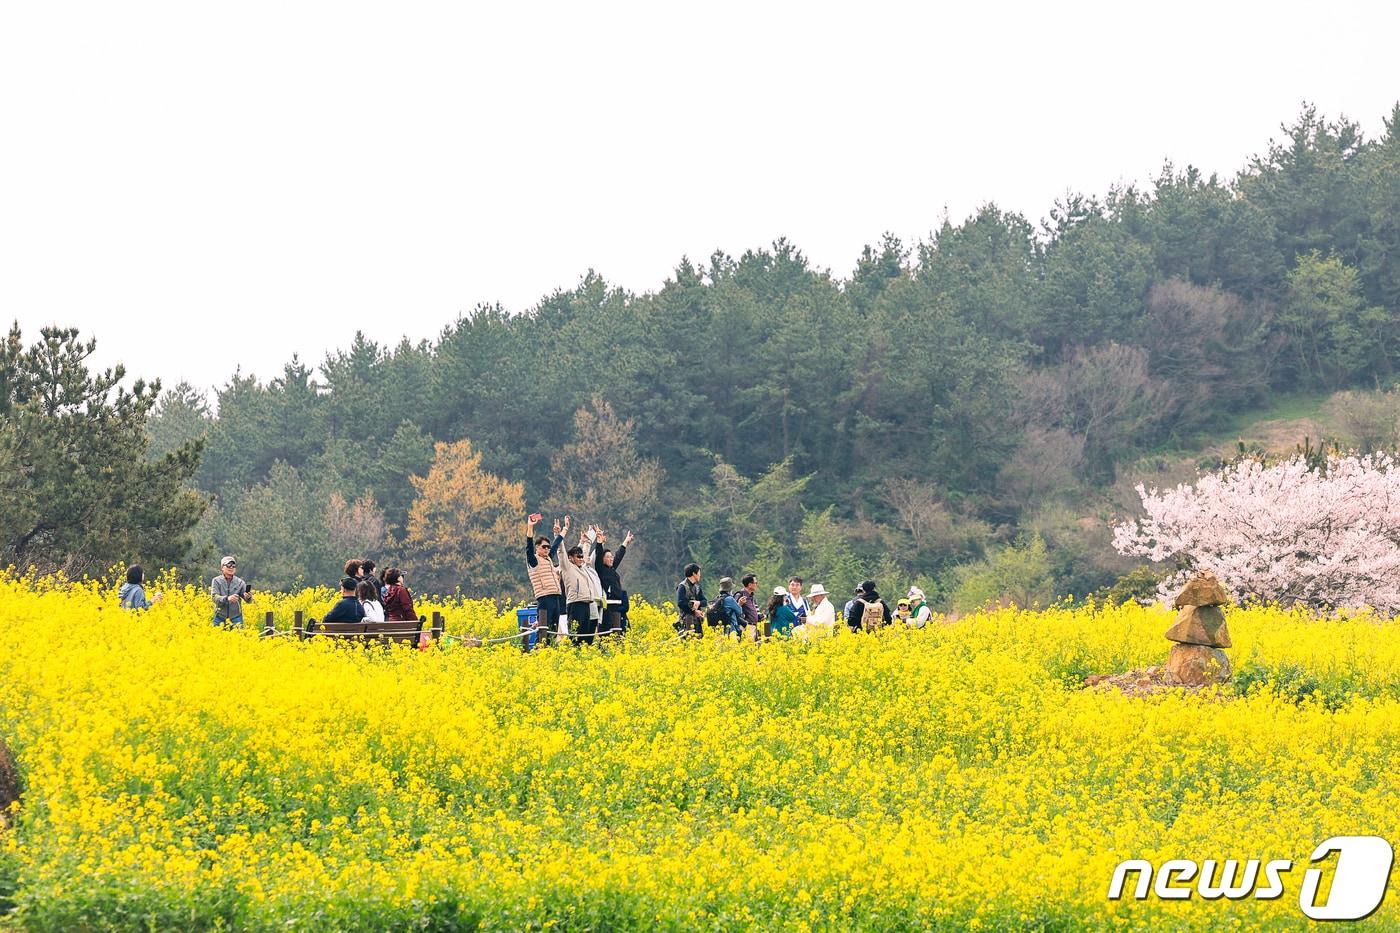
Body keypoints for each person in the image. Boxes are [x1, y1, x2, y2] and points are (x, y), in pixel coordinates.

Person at [559, 527, 607, 646]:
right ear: (570, 558)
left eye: (581, 557)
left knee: (587, 636)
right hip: (575, 604)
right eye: (578, 557)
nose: (581, 559)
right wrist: (559, 533)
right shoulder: (567, 568)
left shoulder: (583, 568)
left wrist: (588, 541)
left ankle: (584, 653)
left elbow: (584, 552)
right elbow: (561, 552)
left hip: (587, 603)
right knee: (576, 636)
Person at [524, 515, 566, 649]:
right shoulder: (533, 560)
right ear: (537, 548)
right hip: (544, 597)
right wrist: (530, 526)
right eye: (544, 547)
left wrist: (564, 530)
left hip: (555, 597)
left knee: (553, 629)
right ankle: (539, 652)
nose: (547, 549)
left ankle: (549, 652)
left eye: (548, 547)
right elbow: (528, 547)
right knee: (543, 628)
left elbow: (556, 545)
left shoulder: (548, 559)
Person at [593, 527, 634, 636]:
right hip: (608, 608)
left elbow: (618, 556)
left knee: (622, 633)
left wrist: (625, 542)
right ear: (603, 559)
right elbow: (598, 555)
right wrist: (599, 542)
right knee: (609, 635)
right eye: (608, 557)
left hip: (618, 607)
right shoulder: (601, 570)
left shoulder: (612, 569)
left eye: (611, 557)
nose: (611, 559)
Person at [211, 556, 251, 628]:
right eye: (228, 565)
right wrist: (227, 598)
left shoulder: (240, 582)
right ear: (222, 567)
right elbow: (214, 597)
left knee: (238, 638)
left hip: (236, 617)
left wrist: (248, 597)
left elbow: (248, 600)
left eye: (233, 566)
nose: (231, 567)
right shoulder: (216, 581)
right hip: (219, 616)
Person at [675, 563, 706, 635]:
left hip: (697, 622)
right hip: (685, 621)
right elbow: (681, 603)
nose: (700, 575)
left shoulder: (697, 588)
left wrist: (698, 603)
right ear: (694, 574)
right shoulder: (682, 586)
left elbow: (705, 601)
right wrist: (694, 612)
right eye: (699, 573)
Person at [736, 573, 762, 638]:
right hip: (745, 627)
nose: (757, 585)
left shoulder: (752, 597)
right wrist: (739, 604)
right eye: (755, 583)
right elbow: (734, 610)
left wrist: (760, 616)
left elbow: (756, 611)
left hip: (753, 627)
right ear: (750, 585)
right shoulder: (740, 595)